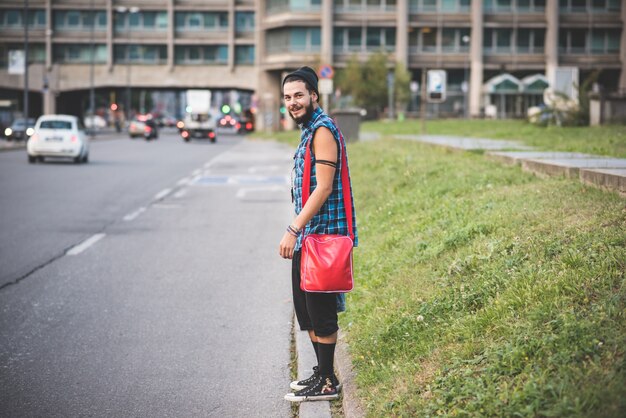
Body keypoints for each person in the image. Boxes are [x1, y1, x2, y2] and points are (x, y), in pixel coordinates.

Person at [279, 66, 358, 402]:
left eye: (298, 95)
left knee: (321, 310)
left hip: (321, 237)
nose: (293, 102)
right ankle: (323, 373)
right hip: (311, 236)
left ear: (313, 95)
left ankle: (328, 383)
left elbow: (323, 188)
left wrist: (292, 228)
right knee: (307, 308)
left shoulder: (322, 130)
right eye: (287, 97)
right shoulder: (309, 129)